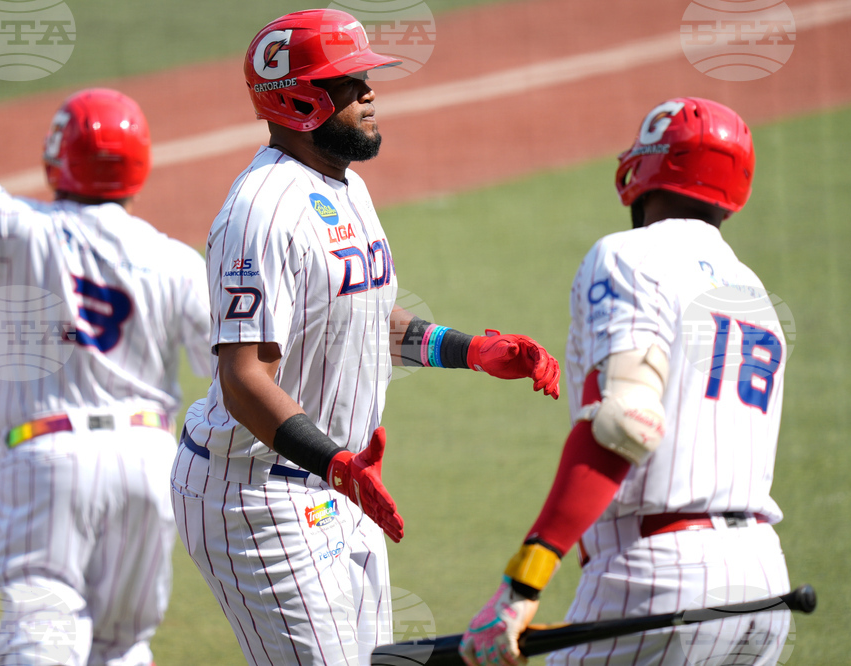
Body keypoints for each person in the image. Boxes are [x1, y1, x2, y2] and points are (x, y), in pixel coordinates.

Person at [169, 9, 562, 666]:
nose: (370, 91)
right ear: (299, 98)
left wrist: (470, 350)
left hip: (339, 480)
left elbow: (364, 320)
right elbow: (243, 379)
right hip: (259, 492)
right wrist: (335, 463)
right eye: (349, 81)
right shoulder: (260, 214)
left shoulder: (344, 187)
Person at [460, 97, 792, 666]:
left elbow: (626, 425)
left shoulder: (630, 256)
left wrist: (520, 589)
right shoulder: (754, 294)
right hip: (763, 584)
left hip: (658, 582)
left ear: (645, 167)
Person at [0, 74, 213, 665]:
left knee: (39, 622)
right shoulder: (178, 262)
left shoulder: (24, 232)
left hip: (49, 462)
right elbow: (229, 365)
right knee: (124, 645)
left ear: (59, 159)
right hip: (150, 467)